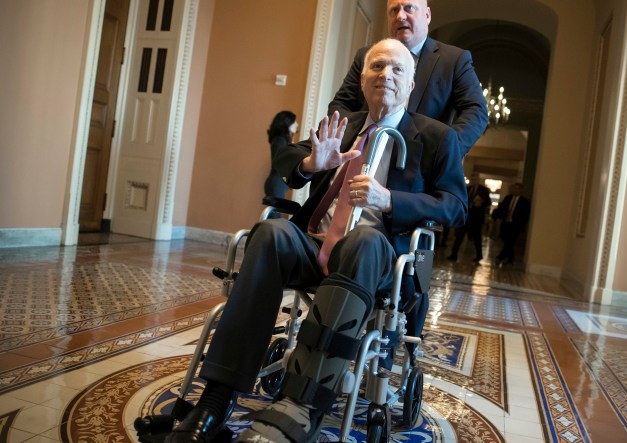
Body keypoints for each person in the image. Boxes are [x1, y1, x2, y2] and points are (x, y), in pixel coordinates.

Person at [160, 38, 467, 443]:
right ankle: (216, 399)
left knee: (364, 241)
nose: (385, 76)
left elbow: (455, 207)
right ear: (362, 78)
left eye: (396, 69)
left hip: (374, 257)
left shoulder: (436, 137)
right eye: (376, 67)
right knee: (270, 232)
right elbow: (286, 158)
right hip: (316, 245)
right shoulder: (343, 125)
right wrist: (309, 163)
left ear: (410, 85)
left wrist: (390, 200)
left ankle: (300, 406)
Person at [329, 0, 488, 157]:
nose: (400, 16)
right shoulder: (367, 56)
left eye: (409, 9)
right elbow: (341, 104)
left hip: (420, 165)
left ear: (427, 15)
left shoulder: (454, 60)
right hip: (364, 155)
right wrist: (353, 139)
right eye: (394, 10)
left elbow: (476, 111)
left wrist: (446, 151)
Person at [446, 172, 491, 263]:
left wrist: (481, 202)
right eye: (473, 178)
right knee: (459, 237)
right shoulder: (467, 189)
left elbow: (488, 202)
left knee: (477, 238)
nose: (474, 180)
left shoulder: (484, 190)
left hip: (476, 218)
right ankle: (454, 255)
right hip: (466, 217)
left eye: (476, 178)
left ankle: (479, 256)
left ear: (478, 179)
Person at [492, 183, 530, 265]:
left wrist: (521, 226)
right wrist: (495, 215)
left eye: (517, 189)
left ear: (521, 190)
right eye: (514, 188)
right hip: (506, 224)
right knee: (508, 242)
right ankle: (510, 259)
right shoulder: (508, 198)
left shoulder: (525, 202)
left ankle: (500, 257)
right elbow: (502, 208)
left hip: (516, 226)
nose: (515, 190)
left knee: (510, 241)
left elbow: (525, 215)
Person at [263, 111, 298, 201]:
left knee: (275, 214)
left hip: (278, 183)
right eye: (294, 121)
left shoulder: (282, 140)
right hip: (276, 183)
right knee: (274, 214)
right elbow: (280, 162)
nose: (297, 124)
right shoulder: (280, 140)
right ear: (287, 122)